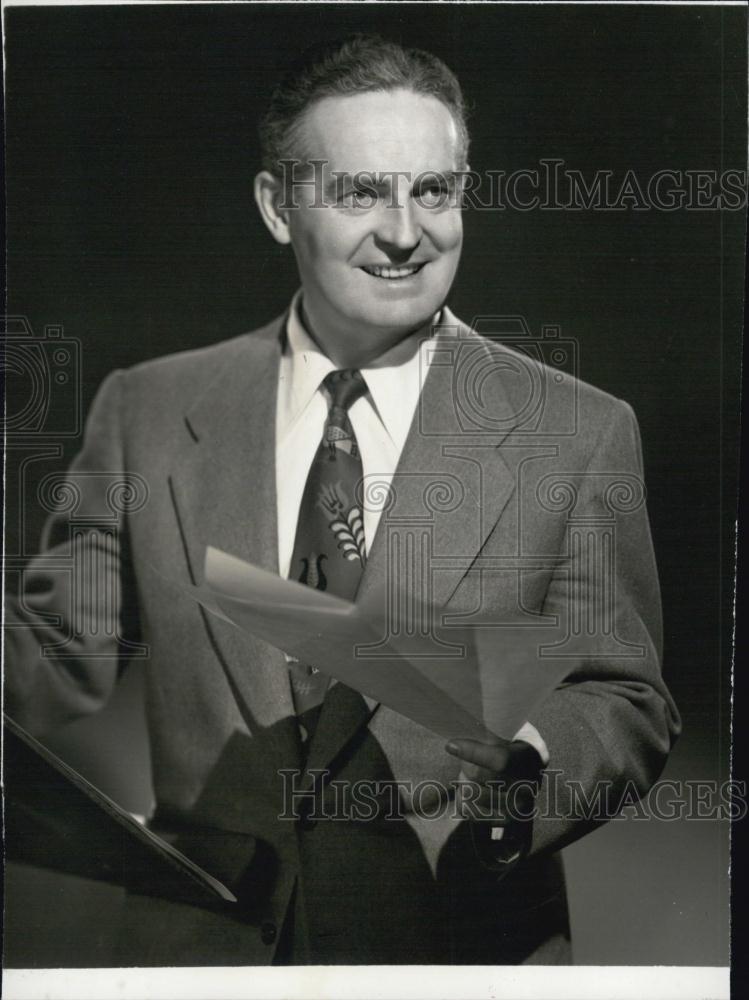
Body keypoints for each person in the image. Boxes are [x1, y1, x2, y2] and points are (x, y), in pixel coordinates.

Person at [4, 35, 680, 965]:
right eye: (360, 192)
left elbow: (625, 696)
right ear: (277, 207)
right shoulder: (149, 408)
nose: (405, 231)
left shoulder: (577, 430)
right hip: (203, 957)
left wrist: (533, 760)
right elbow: (51, 653)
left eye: (432, 191)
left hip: (456, 949)